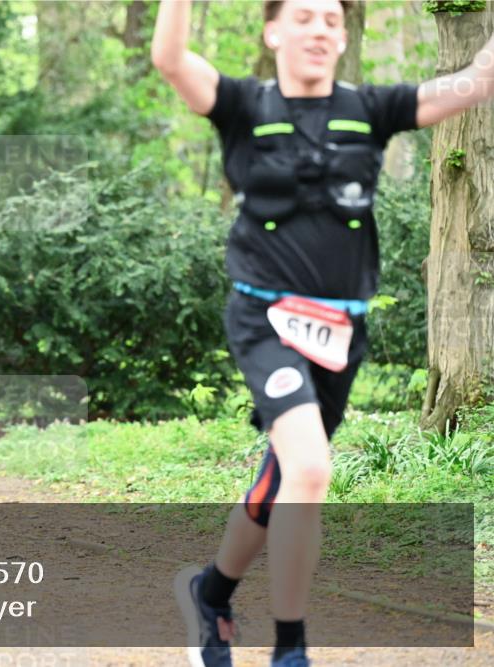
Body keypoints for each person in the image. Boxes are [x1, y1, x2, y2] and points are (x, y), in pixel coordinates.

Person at [151, 1, 494, 665]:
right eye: (303, 16)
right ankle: (291, 651)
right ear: (273, 31)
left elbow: (476, 80)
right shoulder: (243, 105)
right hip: (264, 319)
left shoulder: (370, 107)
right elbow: (170, 60)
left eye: (332, 20)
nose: (319, 29)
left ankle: (211, 592)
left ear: (341, 38)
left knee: (286, 478)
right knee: (310, 466)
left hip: (341, 331)